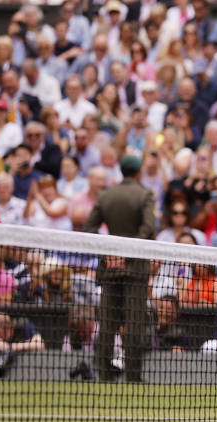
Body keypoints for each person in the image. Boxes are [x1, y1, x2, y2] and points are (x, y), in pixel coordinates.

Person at [84, 155, 156, 382]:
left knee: (107, 323)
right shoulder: (145, 194)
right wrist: (128, 251)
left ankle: (104, 375)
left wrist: (109, 252)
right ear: (137, 173)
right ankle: (133, 377)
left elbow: (89, 229)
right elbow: (148, 227)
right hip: (135, 268)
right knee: (134, 323)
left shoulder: (105, 195)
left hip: (110, 267)